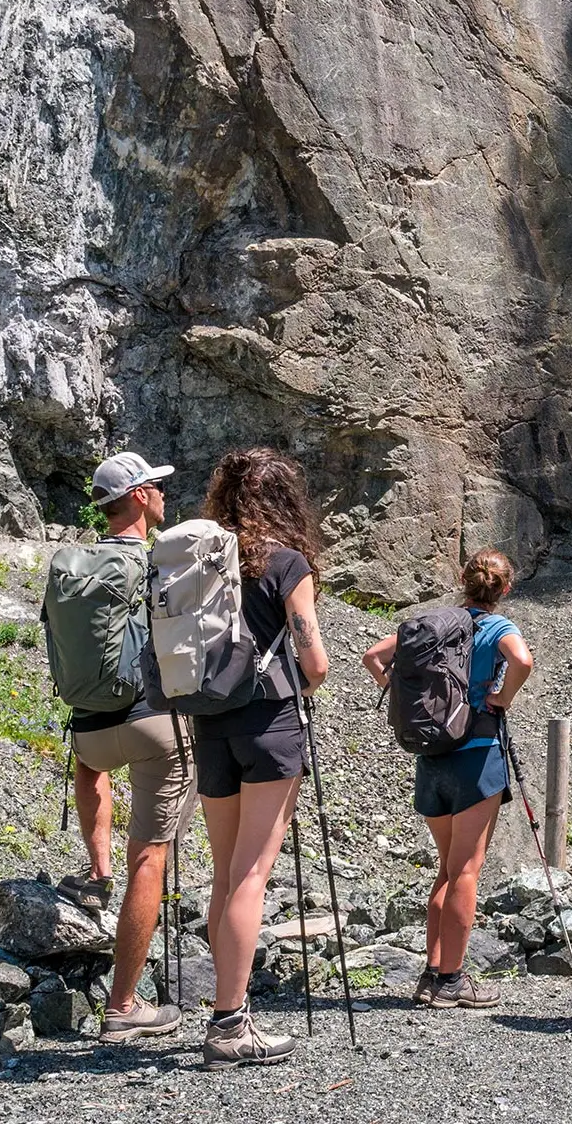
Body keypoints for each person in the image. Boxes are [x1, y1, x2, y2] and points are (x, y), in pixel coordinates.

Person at [194, 448, 330, 1070]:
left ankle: (226, 1007)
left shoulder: (203, 561)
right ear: (284, 500)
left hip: (210, 721)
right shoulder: (286, 563)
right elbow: (315, 662)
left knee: (225, 873)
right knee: (252, 875)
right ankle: (229, 1024)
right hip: (269, 722)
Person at [56, 450, 195, 1045]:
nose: (164, 495)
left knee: (92, 769)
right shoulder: (154, 561)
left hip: (89, 728)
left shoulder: (74, 564)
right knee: (152, 856)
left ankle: (95, 868)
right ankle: (124, 1004)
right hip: (149, 723)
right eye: (156, 488)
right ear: (138, 497)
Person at [362, 549, 533, 1010]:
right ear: (506, 589)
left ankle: (432, 974)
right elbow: (523, 661)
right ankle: (453, 980)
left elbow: (373, 655)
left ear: (463, 579)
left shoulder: (434, 622)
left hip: (432, 757)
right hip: (477, 759)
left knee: (446, 869)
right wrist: (501, 697)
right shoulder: (498, 627)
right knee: (465, 872)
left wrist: (397, 692)